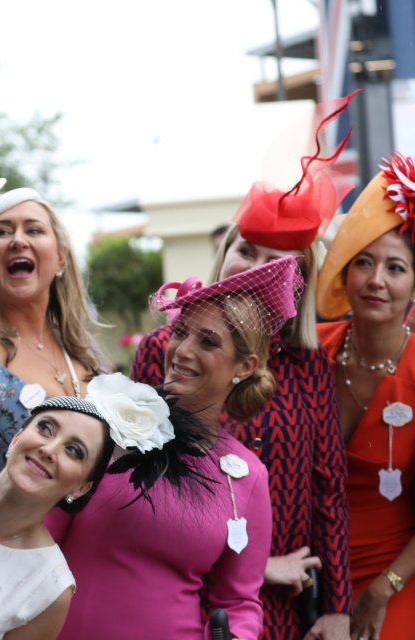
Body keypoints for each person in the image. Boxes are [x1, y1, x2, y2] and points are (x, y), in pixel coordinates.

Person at [130, 95, 356, 639]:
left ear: (300, 280)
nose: (256, 271)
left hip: (283, 608)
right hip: (180, 588)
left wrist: (338, 608)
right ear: (223, 253)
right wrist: (257, 563)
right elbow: (137, 475)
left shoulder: (310, 367)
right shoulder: (165, 349)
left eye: (277, 262)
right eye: (246, 251)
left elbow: (330, 493)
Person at [49, 256, 303, 639]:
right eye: (180, 332)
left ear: (246, 366)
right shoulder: (106, 428)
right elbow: (37, 535)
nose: (182, 350)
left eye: (207, 341)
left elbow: (237, 601)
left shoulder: (247, 477)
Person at [0, 372, 205, 639]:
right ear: (17, 436)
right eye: (45, 428)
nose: (49, 449)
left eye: (74, 451)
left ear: (82, 487)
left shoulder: (49, 588)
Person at [0, 146, 108, 481]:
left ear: (60, 256)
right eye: (1, 231)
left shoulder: (87, 357)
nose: (17, 240)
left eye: (34, 230)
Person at [316, 152, 415, 640]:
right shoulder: (310, 353)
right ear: (345, 275)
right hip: (312, 579)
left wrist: (384, 587)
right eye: (364, 263)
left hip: (399, 578)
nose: (377, 280)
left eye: (395, 267)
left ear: (413, 285)